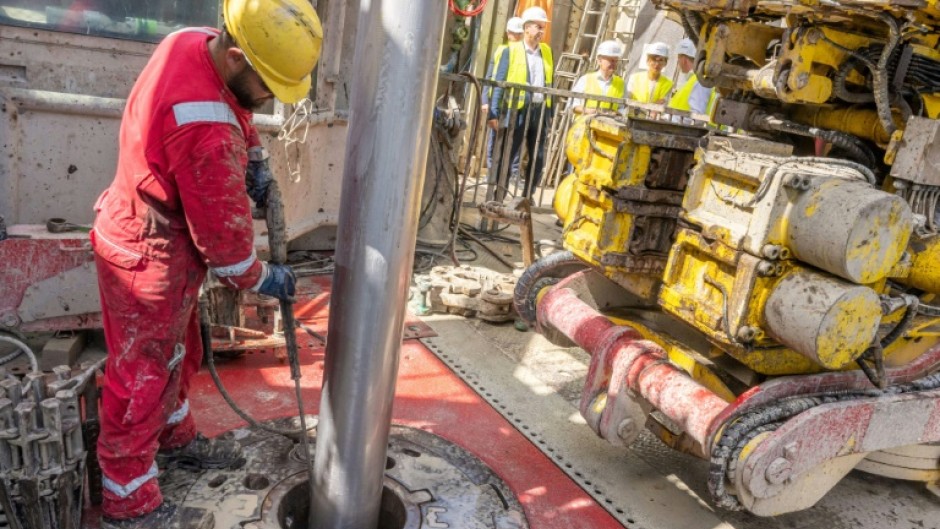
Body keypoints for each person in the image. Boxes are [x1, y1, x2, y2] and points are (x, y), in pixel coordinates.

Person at [90, 0, 322, 527]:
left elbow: (235, 106)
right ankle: (127, 502)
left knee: (181, 350)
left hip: (153, 230)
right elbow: (227, 251)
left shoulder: (194, 42)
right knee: (143, 373)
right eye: (267, 87)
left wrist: (256, 157)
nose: (266, 102)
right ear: (239, 56)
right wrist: (267, 278)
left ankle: (173, 438)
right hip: (148, 252)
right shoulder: (207, 131)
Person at [488, 6, 554, 198]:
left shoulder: (547, 52)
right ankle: (498, 193)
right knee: (508, 153)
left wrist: (550, 112)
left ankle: (528, 194)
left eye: (543, 27)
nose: (542, 31)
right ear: (526, 28)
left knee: (538, 156)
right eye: (538, 27)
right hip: (517, 109)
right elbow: (499, 81)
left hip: (539, 109)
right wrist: (494, 111)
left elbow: (551, 81)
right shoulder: (512, 51)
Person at [484, 16, 524, 175]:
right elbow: (489, 76)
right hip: (498, 100)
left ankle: (510, 172)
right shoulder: (501, 50)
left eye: (519, 34)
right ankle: (491, 171)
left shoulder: (523, 55)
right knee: (496, 138)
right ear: (508, 33)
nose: (517, 37)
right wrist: (485, 100)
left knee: (513, 139)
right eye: (515, 33)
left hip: (514, 103)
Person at [570, 40, 625, 114]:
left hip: (609, 125)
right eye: (611, 60)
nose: (614, 64)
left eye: (616, 61)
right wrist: (587, 111)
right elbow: (572, 104)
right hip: (585, 124)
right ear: (599, 60)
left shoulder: (621, 83)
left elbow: (623, 109)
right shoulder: (585, 79)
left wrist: (617, 113)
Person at [667, 38, 716, 116]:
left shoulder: (701, 80)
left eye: (678, 57)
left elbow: (697, 116)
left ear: (683, 59)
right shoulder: (694, 79)